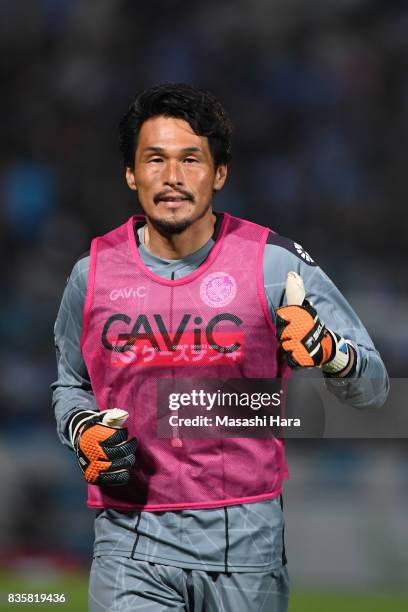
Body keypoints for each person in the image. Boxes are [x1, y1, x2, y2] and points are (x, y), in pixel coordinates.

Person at [52, 83, 389, 611]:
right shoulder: (90, 276)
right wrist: (82, 431)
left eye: (191, 159)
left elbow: (375, 387)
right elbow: (71, 384)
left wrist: (327, 350)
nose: (172, 177)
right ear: (131, 173)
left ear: (220, 173)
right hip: (129, 543)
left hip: (246, 549)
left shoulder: (276, 266)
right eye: (155, 159)